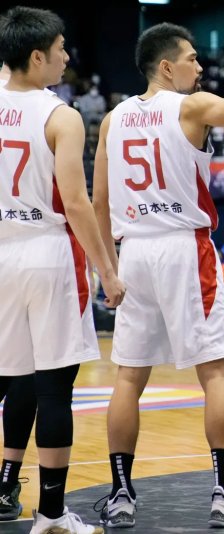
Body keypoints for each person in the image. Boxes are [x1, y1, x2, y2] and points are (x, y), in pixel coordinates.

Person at [92, 21, 224, 528]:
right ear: (167, 66)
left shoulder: (113, 119)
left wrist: (106, 269)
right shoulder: (189, 106)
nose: (200, 66)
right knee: (214, 371)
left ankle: (122, 496)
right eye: (193, 59)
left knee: (129, 377)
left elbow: (101, 202)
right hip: (184, 247)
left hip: (133, 252)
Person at [0, 6, 125, 533]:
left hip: (3, 252)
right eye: (60, 48)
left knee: (13, 383)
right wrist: (110, 273)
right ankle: (51, 514)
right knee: (54, 390)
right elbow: (75, 202)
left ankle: (13, 485)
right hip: (49, 255)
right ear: (37, 56)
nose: (68, 56)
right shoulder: (61, 116)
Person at [0, 62, 37, 524]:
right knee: (24, 376)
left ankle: (8, 481)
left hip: (16, 246)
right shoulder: (41, 106)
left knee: (21, 376)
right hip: (26, 246)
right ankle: (7, 483)